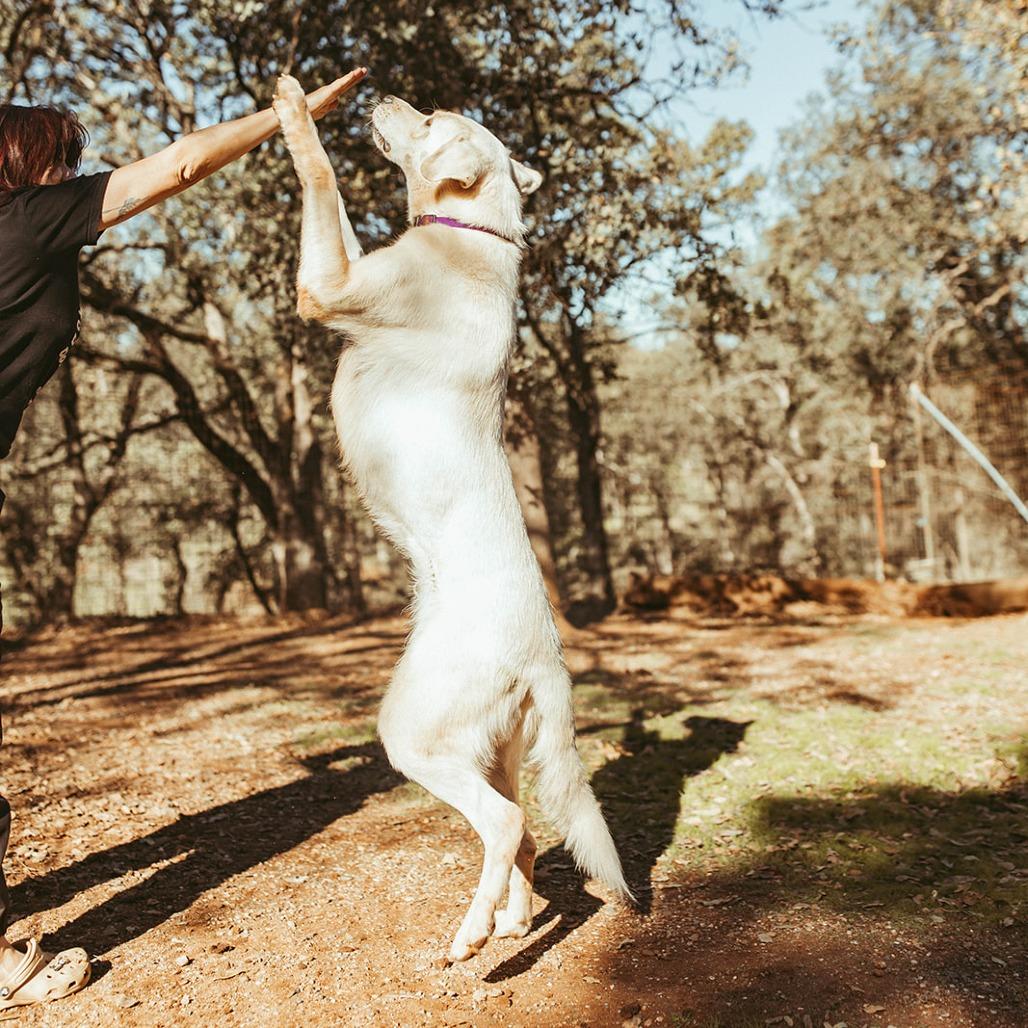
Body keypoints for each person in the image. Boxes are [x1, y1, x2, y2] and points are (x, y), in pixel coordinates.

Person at [0, 66, 366, 1012]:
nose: (71, 179)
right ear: (25, 166)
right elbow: (182, 164)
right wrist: (291, 117)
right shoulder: (29, 225)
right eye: (60, 163)